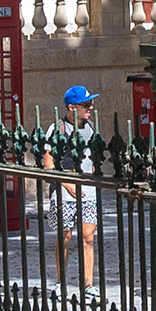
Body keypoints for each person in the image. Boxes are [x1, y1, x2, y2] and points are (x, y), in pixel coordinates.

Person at [54, 85, 102, 287]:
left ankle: (88, 285)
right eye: (86, 104)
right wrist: (67, 185)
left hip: (88, 191)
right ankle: (60, 282)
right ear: (72, 107)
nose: (90, 107)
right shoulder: (58, 129)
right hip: (66, 193)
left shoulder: (91, 128)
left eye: (91, 103)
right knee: (64, 237)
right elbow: (49, 164)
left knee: (88, 237)